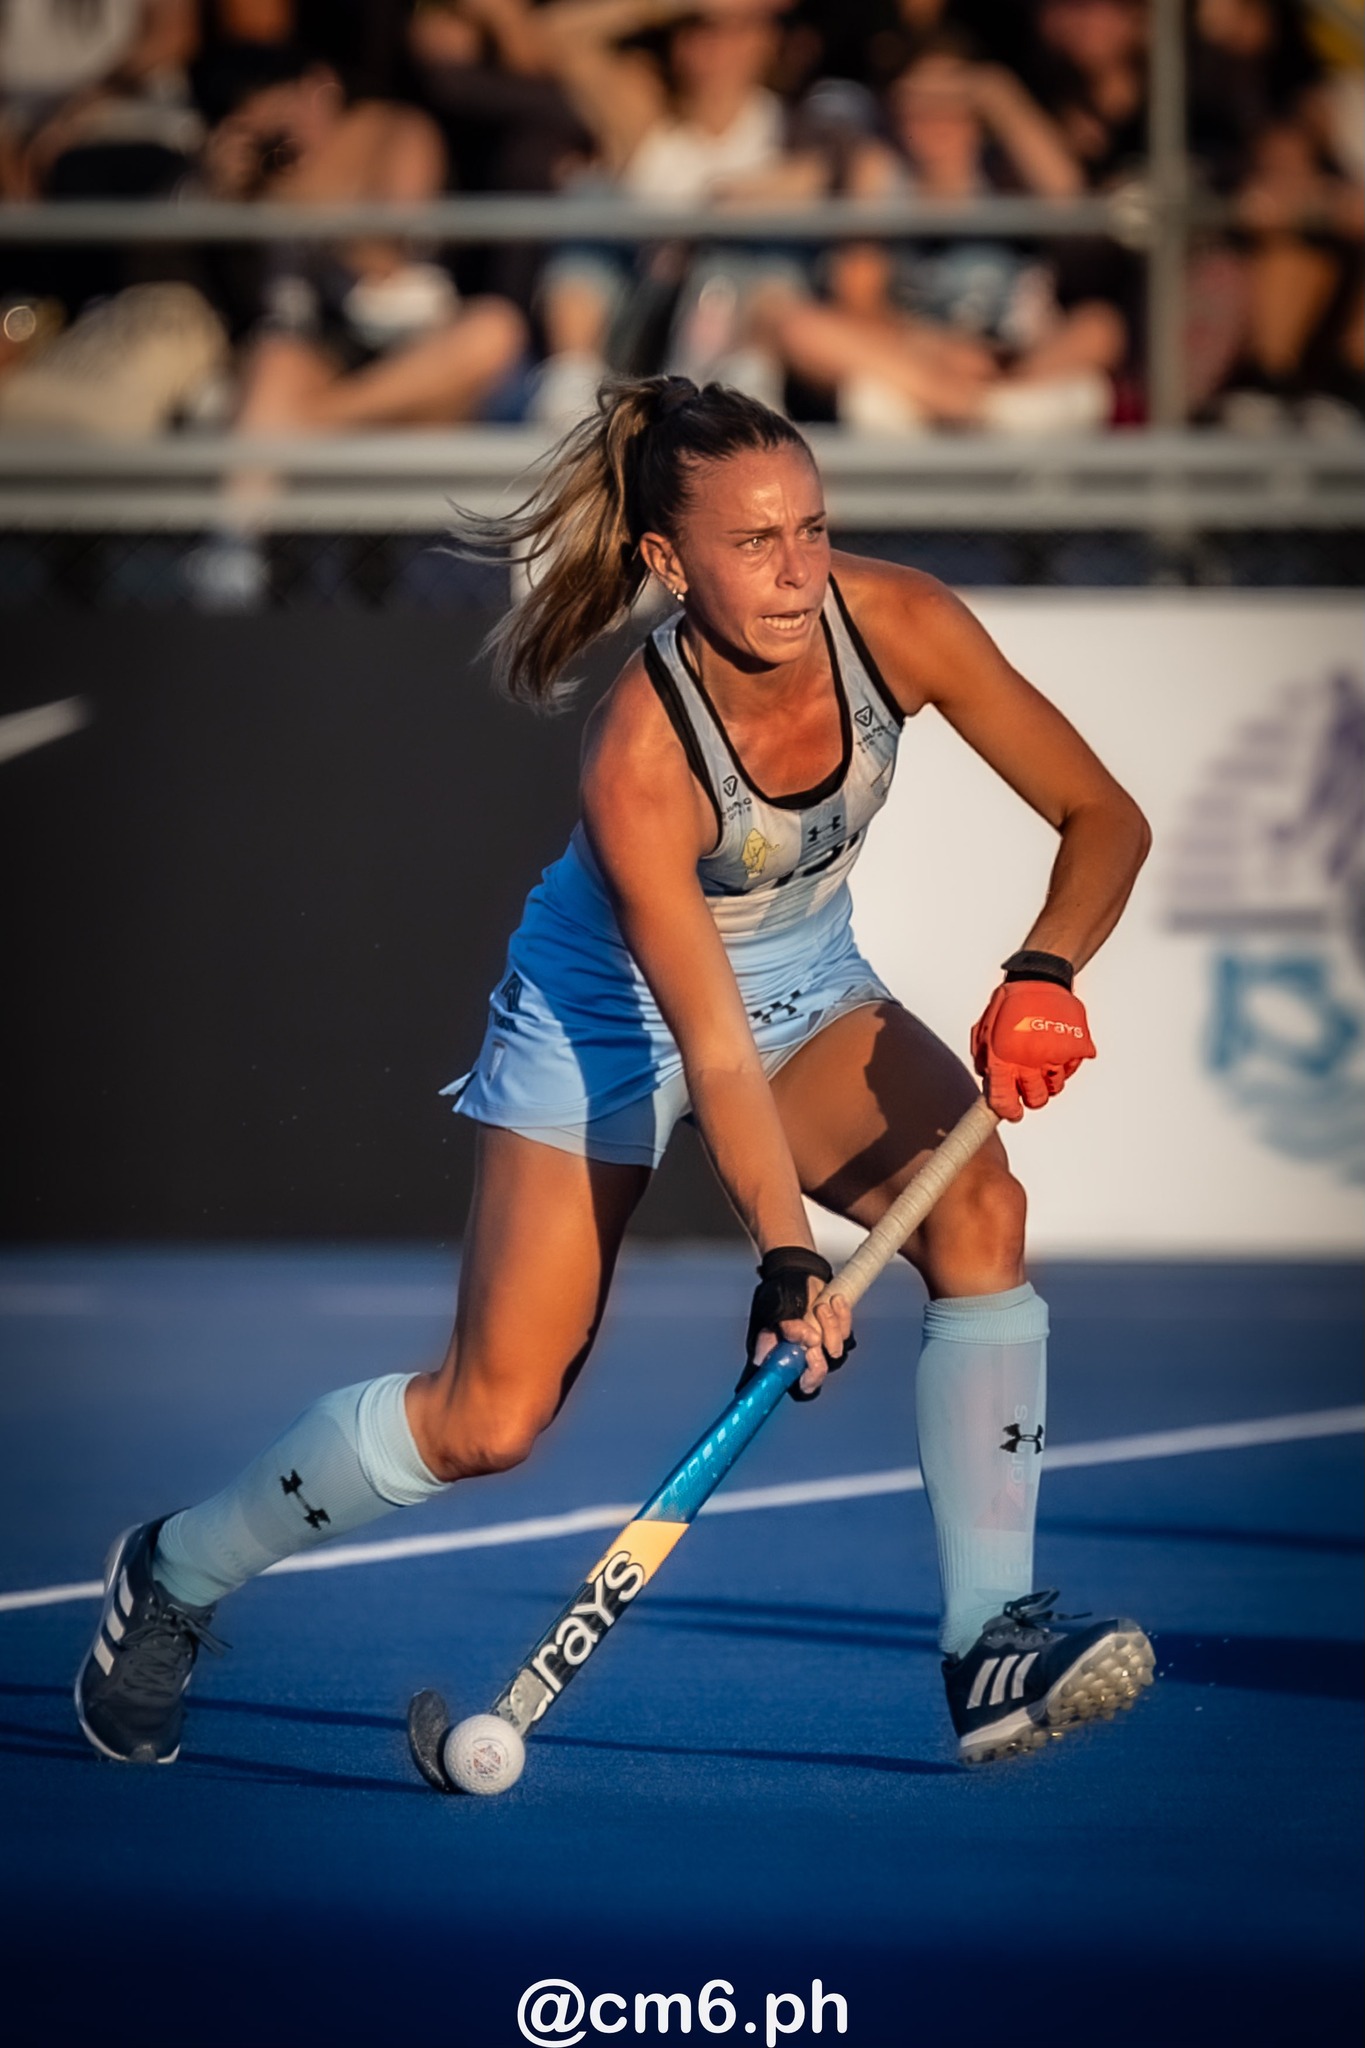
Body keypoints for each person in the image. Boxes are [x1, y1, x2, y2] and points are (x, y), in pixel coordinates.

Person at [75, 374, 1155, 1775]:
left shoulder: (900, 624)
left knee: (978, 1216)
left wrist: (1043, 973)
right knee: (487, 1421)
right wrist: (784, 1262)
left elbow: (1101, 817)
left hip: (807, 990)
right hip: (602, 1019)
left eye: (812, 528)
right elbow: (706, 1043)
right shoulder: (643, 755)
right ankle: (174, 1572)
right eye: (753, 543)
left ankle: (986, 1644)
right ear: (667, 561)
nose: (795, 568)